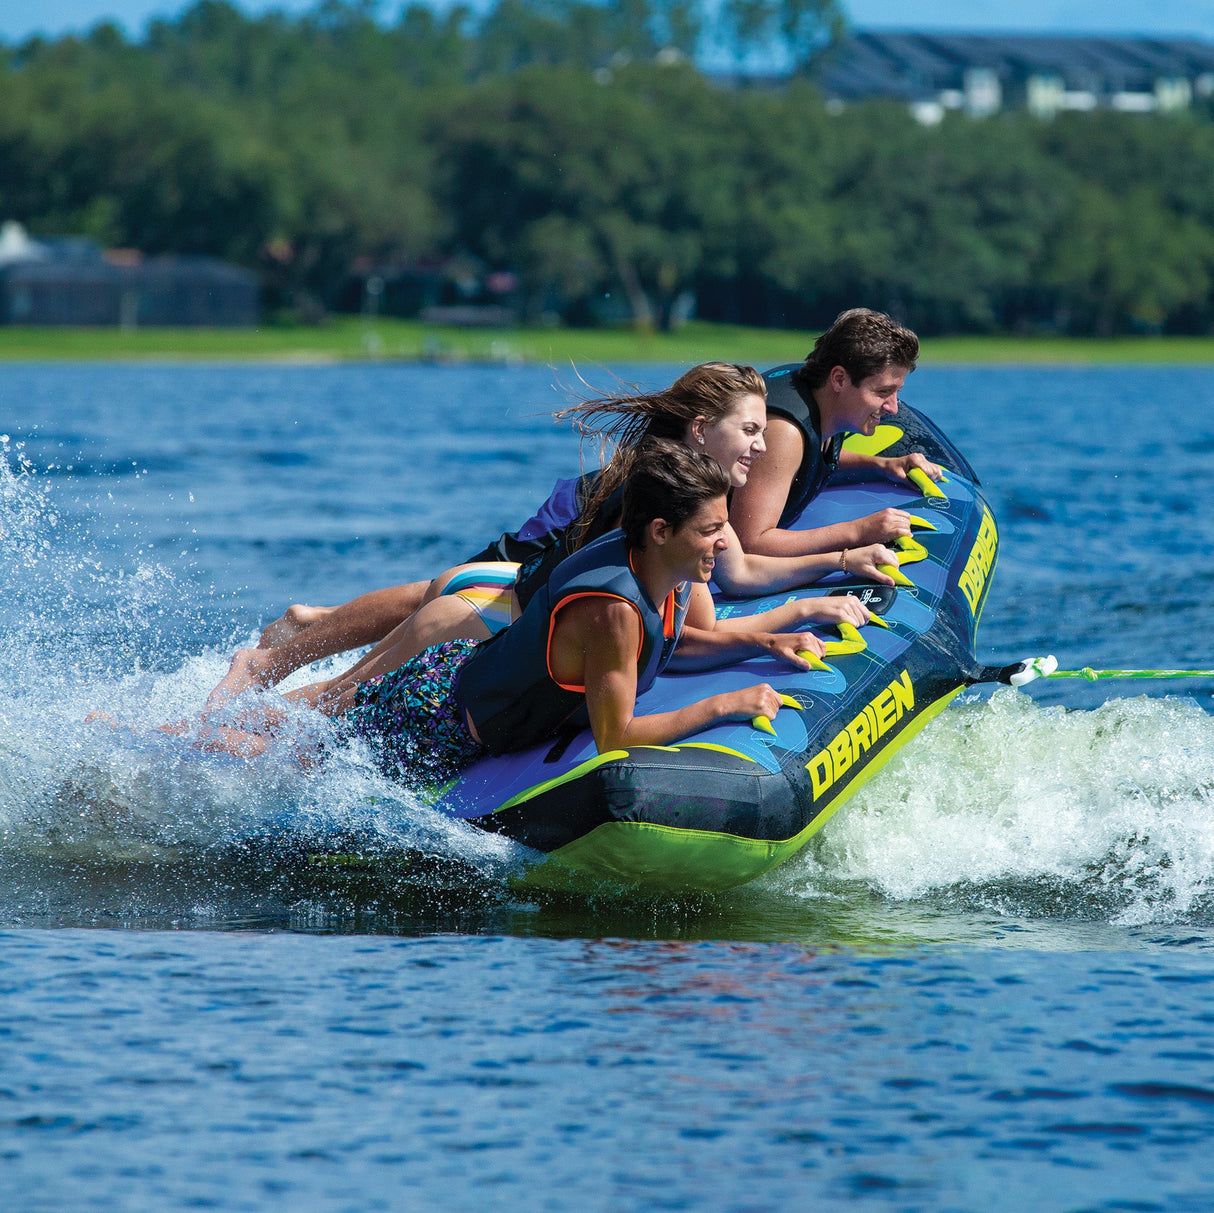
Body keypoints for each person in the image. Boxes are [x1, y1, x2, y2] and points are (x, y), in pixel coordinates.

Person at [208, 361, 901, 705]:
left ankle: (287, 650)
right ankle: (250, 687)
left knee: (341, 692)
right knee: (329, 705)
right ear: (700, 431)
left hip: (508, 590)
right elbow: (698, 625)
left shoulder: (690, 487)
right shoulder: (672, 496)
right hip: (502, 597)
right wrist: (802, 610)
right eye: (748, 431)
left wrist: (815, 587)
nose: (761, 445)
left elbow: (717, 590)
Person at [187, 443, 842, 780]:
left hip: (457, 669)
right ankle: (162, 744)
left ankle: (200, 723)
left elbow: (674, 642)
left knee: (305, 728)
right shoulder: (615, 609)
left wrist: (759, 641)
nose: (725, 541)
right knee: (291, 756)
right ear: (662, 529)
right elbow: (617, 735)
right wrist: (723, 706)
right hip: (436, 716)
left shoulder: (657, 561)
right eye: (711, 530)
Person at [731, 307, 940, 557]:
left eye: (897, 392)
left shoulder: (822, 398)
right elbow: (749, 544)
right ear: (839, 379)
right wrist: (858, 531)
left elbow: (801, 464)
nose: (894, 408)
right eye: (883, 392)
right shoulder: (784, 433)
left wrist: (883, 465)